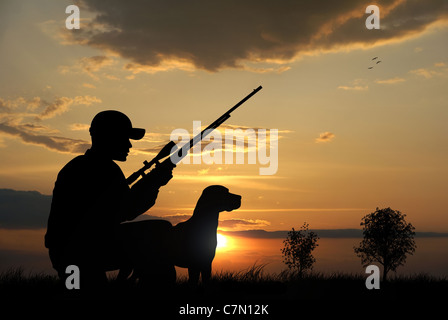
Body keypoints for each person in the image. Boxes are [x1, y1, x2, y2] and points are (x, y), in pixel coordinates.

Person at [44, 110, 174, 288]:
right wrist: (154, 182)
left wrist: (151, 182)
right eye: (124, 138)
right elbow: (126, 210)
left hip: (75, 252)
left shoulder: (85, 166)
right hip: (80, 253)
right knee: (160, 230)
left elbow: (120, 205)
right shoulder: (103, 169)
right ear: (109, 137)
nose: (129, 145)